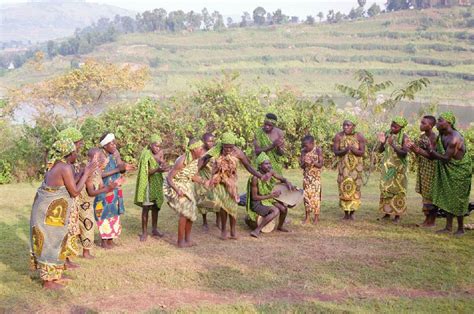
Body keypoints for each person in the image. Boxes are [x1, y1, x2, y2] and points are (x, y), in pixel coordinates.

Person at [30, 138, 96, 290]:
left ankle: (55, 275)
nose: (76, 155)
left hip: (51, 209)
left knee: (57, 241)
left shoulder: (58, 165)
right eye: (75, 152)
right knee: (50, 243)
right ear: (69, 153)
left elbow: (71, 184)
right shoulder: (65, 167)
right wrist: (86, 173)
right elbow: (74, 191)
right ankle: (48, 282)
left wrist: (83, 173)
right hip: (49, 211)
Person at [210, 131, 271, 240]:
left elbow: (248, 166)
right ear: (222, 144)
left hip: (232, 182)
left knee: (233, 206)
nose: (228, 150)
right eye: (226, 147)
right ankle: (224, 230)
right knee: (223, 206)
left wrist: (260, 176)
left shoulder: (238, 152)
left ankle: (233, 231)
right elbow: (204, 158)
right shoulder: (217, 150)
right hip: (219, 182)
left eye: (231, 147)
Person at [428, 112, 472, 236]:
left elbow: (446, 158)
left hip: (460, 172)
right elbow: (437, 153)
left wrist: (430, 151)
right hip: (448, 170)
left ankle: (461, 228)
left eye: (440, 120)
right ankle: (448, 227)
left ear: (448, 122)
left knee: (458, 199)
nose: (437, 123)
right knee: (448, 196)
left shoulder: (454, 138)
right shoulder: (441, 135)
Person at [163, 139, 207, 248]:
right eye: (200, 148)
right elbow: (169, 178)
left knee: (191, 211)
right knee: (184, 212)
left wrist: (205, 182)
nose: (202, 150)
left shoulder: (195, 160)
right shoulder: (181, 161)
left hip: (186, 186)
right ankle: (180, 242)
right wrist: (177, 190)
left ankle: (187, 240)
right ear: (193, 149)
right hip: (174, 186)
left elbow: (192, 176)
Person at [94, 133, 131, 249]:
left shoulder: (115, 153)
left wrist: (123, 166)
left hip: (114, 187)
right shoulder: (100, 156)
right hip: (104, 189)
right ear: (105, 146)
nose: (114, 145)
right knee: (104, 212)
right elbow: (98, 174)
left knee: (114, 212)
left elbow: (120, 167)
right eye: (111, 143)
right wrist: (117, 169)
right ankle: (104, 241)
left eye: (114, 142)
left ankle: (110, 239)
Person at [247, 152, 295, 238]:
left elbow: (282, 178)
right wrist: (271, 195)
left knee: (284, 209)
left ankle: (280, 226)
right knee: (275, 210)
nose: (269, 165)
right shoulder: (255, 178)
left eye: (269, 163)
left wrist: (287, 182)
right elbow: (255, 197)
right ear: (260, 165)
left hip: (268, 198)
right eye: (266, 164)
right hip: (258, 202)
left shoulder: (271, 172)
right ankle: (257, 230)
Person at [57, 127, 86, 263]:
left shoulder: (71, 161)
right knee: (66, 230)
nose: (81, 145)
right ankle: (64, 260)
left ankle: (68, 259)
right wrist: (85, 173)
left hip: (72, 201)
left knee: (72, 229)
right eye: (78, 143)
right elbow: (71, 187)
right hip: (63, 203)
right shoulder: (59, 163)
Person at [134, 134, 169, 241]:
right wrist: (157, 170)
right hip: (148, 184)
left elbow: (162, 164)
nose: (157, 148)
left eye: (159, 146)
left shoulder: (161, 152)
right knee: (146, 208)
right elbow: (145, 172)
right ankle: (144, 232)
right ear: (150, 144)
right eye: (155, 146)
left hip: (157, 182)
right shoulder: (146, 154)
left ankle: (154, 229)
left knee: (155, 207)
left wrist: (164, 167)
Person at [406, 116, 438, 227]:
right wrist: (412, 148)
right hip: (423, 169)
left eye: (423, 123)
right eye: (421, 122)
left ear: (431, 125)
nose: (421, 125)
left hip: (432, 170)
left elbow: (432, 156)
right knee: (425, 195)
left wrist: (417, 149)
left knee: (430, 195)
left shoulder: (434, 138)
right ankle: (427, 219)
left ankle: (432, 220)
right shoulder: (422, 137)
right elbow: (418, 154)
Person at [332, 119, 366, 221]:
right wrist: (345, 150)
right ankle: (346, 213)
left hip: (356, 168)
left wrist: (353, 150)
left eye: (348, 125)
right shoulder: (339, 136)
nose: (345, 127)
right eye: (344, 125)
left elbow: (362, 152)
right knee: (344, 188)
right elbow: (336, 152)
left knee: (355, 188)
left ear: (353, 126)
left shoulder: (359, 136)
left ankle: (352, 213)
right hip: (344, 168)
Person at [377, 117, 409, 223]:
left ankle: (397, 215)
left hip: (399, 169)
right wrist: (382, 142)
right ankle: (387, 212)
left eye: (396, 126)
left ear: (401, 127)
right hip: (387, 168)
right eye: (392, 124)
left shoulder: (404, 137)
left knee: (398, 190)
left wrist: (393, 145)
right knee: (386, 189)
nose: (392, 127)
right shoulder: (387, 134)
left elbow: (404, 153)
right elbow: (380, 150)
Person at [196, 133, 221, 231]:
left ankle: (218, 221)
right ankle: (205, 221)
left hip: (214, 178)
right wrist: (206, 158)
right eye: (209, 141)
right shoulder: (200, 151)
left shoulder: (216, 151)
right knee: (203, 199)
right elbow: (198, 167)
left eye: (212, 141)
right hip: (203, 178)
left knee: (218, 199)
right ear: (203, 141)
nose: (211, 143)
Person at [300, 135, 324, 224]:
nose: (305, 147)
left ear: (312, 144)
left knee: (316, 198)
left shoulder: (318, 150)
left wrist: (313, 163)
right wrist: (304, 163)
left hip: (316, 179)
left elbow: (321, 164)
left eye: (306, 145)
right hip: (307, 178)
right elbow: (301, 166)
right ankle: (307, 217)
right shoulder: (303, 151)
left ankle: (316, 217)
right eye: (304, 145)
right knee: (306, 197)